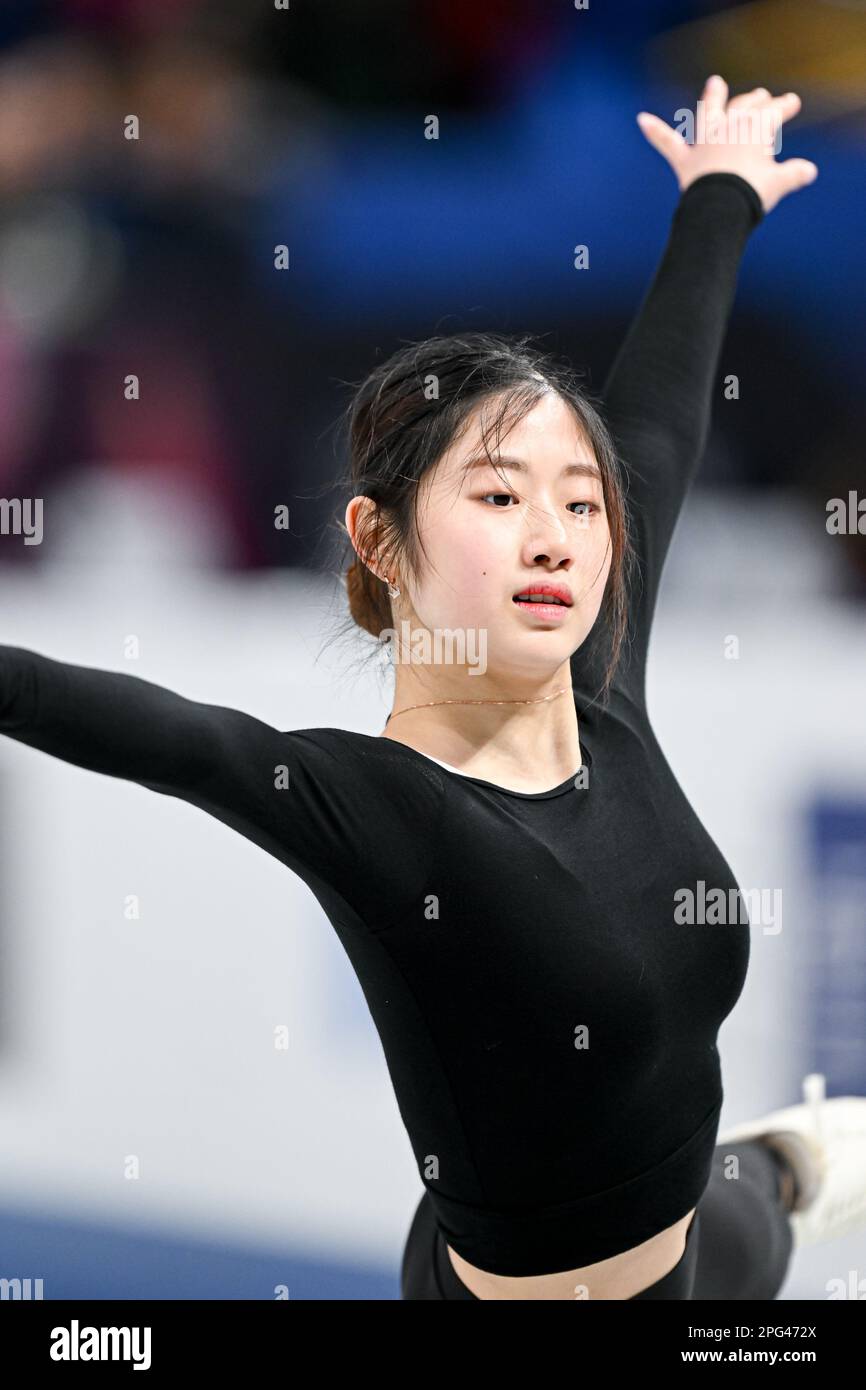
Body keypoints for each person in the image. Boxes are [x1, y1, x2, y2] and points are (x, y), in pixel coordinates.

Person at [1, 77, 864, 1300]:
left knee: (760, 1196)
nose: (558, 533)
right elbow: (160, 731)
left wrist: (718, 191)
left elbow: (658, 429)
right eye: (500, 497)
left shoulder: (603, 678)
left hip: (700, 1257)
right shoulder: (380, 811)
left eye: (577, 499)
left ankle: (778, 1164)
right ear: (380, 541)